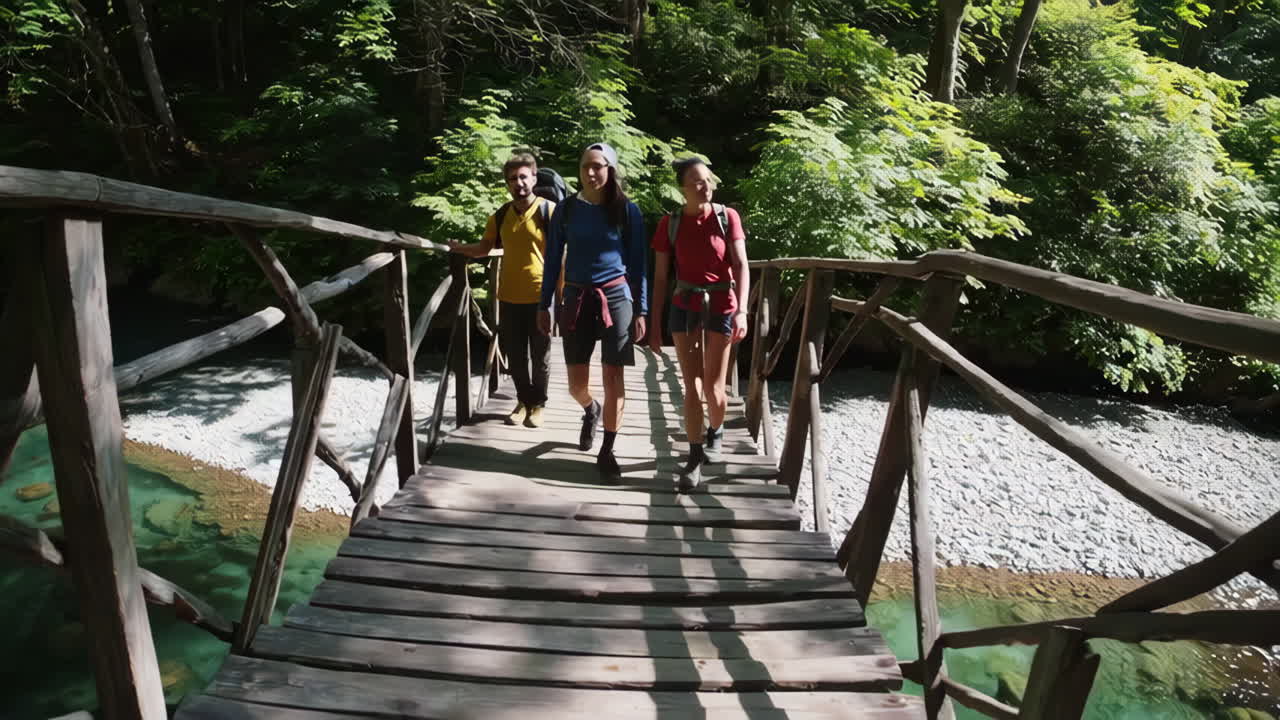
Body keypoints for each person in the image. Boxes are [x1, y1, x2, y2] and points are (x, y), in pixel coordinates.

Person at [537, 142, 647, 480]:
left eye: (598, 166)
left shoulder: (627, 210)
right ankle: (590, 408)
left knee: (613, 377)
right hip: (576, 299)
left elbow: (639, 264)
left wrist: (641, 309)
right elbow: (553, 259)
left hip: (616, 298)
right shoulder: (566, 210)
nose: (590, 172)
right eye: (586, 165)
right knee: (575, 385)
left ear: (610, 169)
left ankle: (608, 449)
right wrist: (545, 304)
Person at [648, 157, 749, 493]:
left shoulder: (727, 217)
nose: (704, 186)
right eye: (696, 181)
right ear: (683, 188)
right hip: (684, 306)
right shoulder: (670, 223)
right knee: (690, 387)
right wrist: (654, 323)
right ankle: (693, 458)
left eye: (707, 180)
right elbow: (661, 277)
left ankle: (716, 431)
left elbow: (741, 265)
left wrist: (743, 311)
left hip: (722, 306)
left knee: (713, 388)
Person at [451, 152, 554, 428]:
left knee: (540, 356)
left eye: (523, 176)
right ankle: (524, 401)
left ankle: (538, 405)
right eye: (513, 178)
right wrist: (460, 249)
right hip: (509, 296)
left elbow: (563, 255)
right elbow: (485, 249)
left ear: (534, 177)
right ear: (507, 183)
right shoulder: (500, 216)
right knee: (516, 356)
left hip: (541, 296)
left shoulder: (550, 211)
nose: (519, 183)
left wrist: (561, 293)